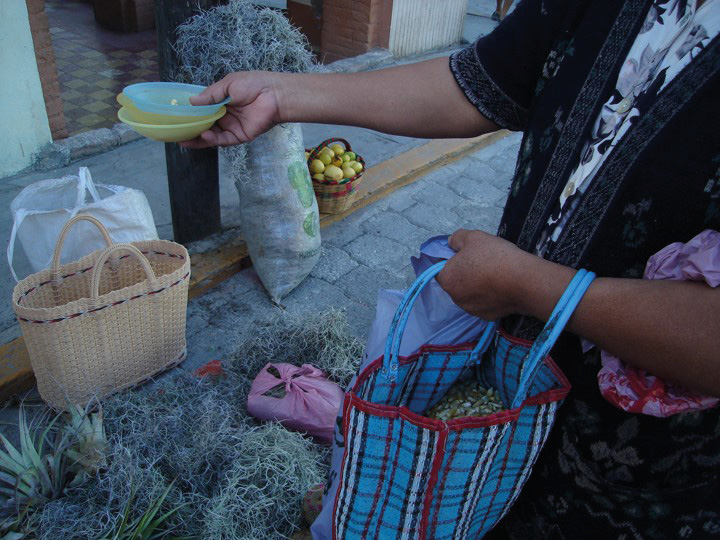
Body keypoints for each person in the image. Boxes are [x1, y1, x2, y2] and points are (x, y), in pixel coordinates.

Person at [181, 0, 720, 536]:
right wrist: (282, 96)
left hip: (634, 476)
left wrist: (525, 284)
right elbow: (479, 81)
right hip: (502, 398)